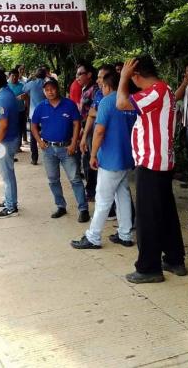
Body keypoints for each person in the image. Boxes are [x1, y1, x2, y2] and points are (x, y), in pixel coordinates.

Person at [117, 56, 186, 284]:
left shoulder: (156, 91)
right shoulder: (162, 90)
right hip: (158, 162)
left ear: (136, 75)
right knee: (165, 213)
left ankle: (148, 268)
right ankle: (174, 259)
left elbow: (121, 103)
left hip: (152, 163)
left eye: (130, 75)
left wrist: (123, 79)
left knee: (148, 218)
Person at [72, 71, 136, 249]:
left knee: (103, 199)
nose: (101, 87)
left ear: (108, 86)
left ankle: (93, 237)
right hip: (126, 157)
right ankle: (125, 234)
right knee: (122, 195)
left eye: (102, 85)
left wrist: (92, 155)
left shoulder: (108, 102)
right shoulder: (130, 101)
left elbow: (99, 131)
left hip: (110, 159)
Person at [31, 78, 89, 222]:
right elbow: (33, 126)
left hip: (66, 148)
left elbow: (76, 124)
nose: (50, 92)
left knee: (75, 179)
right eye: (47, 90)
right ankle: (60, 206)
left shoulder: (69, 104)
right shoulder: (40, 107)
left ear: (58, 89)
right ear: (44, 92)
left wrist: (74, 143)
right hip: (48, 149)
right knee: (53, 180)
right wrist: (39, 141)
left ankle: (83, 209)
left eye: (52, 88)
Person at [0, 70, 21, 218]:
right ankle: (9, 199)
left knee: (7, 175)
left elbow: (3, 125)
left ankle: (11, 206)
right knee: (8, 173)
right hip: (9, 140)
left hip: (5, 142)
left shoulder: (2, 98)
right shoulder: (7, 93)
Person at [76, 63, 99, 201]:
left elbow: (94, 113)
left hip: (93, 130)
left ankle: (92, 191)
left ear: (89, 74)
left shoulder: (95, 90)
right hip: (86, 129)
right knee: (86, 159)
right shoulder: (85, 89)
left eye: (80, 73)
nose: (77, 77)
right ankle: (91, 189)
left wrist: (85, 129)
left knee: (90, 159)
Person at [22, 67, 47, 165]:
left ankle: (34, 158)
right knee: (46, 136)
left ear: (36, 75)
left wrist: (29, 79)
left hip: (34, 115)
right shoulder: (47, 84)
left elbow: (23, 88)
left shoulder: (32, 84)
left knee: (33, 137)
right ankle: (48, 156)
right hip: (46, 114)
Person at [7, 70, 27, 152]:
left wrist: (25, 97)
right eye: (12, 76)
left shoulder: (22, 85)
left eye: (16, 76)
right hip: (10, 112)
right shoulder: (6, 86)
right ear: (9, 76)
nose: (14, 77)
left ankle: (18, 146)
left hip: (21, 111)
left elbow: (27, 96)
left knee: (20, 129)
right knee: (11, 129)